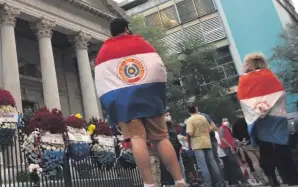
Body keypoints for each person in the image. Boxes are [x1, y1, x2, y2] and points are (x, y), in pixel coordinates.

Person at [95, 18, 186, 187]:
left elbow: (102, 80)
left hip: (125, 103)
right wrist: (156, 91)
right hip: (149, 99)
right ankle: (180, 181)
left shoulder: (105, 50)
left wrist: (112, 103)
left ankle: (148, 184)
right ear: (127, 28)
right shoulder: (141, 43)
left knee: (137, 139)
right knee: (161, 138)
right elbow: (158, 67)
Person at [237, 53, 298, 186]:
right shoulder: (271, 76)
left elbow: (243, 101)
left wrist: (258, 109)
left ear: (247, 64)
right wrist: (269, 106)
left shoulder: (244, 81)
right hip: (276, 119)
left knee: (265, 152)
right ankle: (292, 179)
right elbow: (281, 94)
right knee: (283, 150)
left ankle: (273, 180)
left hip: (260, 122)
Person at [185, 105, 223, 187]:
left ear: (188, 111)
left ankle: (207, 184)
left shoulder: (190, 120)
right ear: (196, 109)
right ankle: (220, 182)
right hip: (207, 142)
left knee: (202, 165)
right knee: (212, 162)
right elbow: (211, 128)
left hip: (197, 144)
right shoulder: (203, 117)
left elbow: (190, 133)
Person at [218, 118, 247, 185]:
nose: (226, 122)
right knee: (234, 164)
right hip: (227, 148)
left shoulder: (228, 129)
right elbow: (222, 138)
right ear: (221, 122)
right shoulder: (221, 129)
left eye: (227, 120)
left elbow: (231, 137)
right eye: (224, 121)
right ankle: (242, 180)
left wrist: (236, 142)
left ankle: (237, 181)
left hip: (232, 147)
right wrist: (230, 145)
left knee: (234, 164)